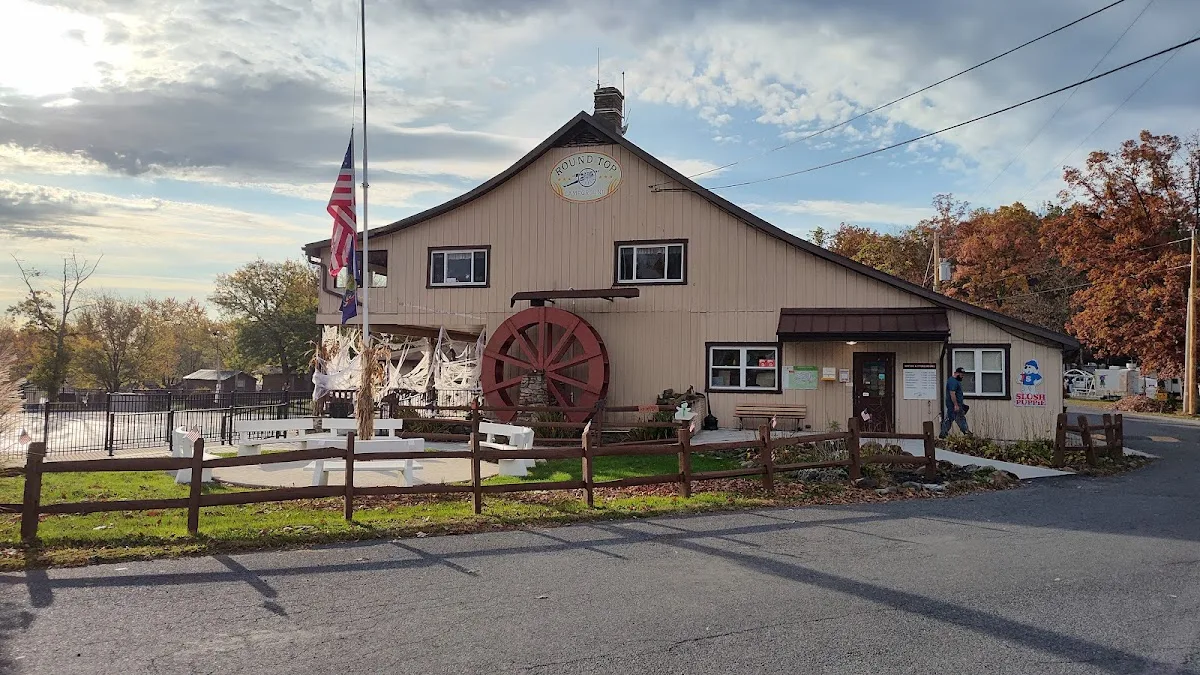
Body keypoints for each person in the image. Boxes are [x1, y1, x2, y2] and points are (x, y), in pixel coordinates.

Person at [940, 366, 971, 439]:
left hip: (955, 405)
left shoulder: (955, 381)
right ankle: (966, 433)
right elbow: (952, 393)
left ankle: (943, 434)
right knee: (961, 419)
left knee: (949, 419)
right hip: (954, 405)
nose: (962, 377)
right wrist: (956, 405)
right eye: (961, 375)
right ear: (956, 373)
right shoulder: (953, 381)